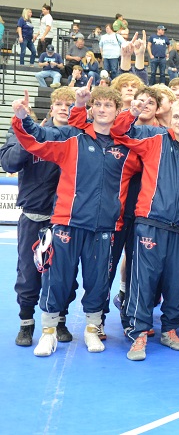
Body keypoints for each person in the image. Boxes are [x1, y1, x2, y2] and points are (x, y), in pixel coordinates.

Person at [11, 85, 141, 358]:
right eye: (99, 105)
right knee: (56, 279)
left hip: (104, 229)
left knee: (97, 283)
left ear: (118, 111)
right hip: (68, 224)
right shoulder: (73, 139)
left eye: (109, 105)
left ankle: (92, 329)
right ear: (91, 110)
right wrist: (23, 119)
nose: (103, 109)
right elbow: (38, 138)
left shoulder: (127, 149)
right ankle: (48, 333)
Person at [110, 97, 179, 361]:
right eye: (177, 117)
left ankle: (170, 329)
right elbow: (119, 132)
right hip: (151, 222)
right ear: (171, 118)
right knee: (143, 280)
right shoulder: (154, 137)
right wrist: (131, 113)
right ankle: (139, 334)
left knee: (177, 281)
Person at [0, 87, 80, 347]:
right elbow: (8, 163)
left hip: (66, 219)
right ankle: (26, 322)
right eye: (60, 103)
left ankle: (60, 320)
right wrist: (29, 137)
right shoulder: (27, 132)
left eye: (70, 105)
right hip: (33, 217)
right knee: (28, 273)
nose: (64, 108)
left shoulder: (80, 138)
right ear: (52, 107)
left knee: (64, 273)